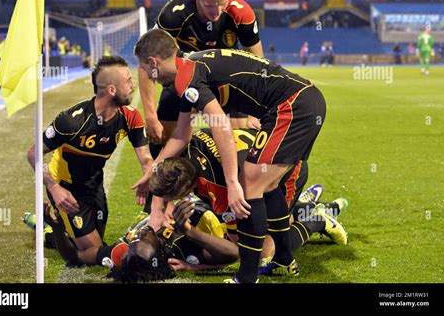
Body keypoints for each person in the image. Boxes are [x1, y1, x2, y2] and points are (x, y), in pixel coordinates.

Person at [134, 28, 327, 283]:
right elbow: (182, 135)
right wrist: (154, 168)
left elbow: (221, 125)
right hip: (296, 104)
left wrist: (233, 183)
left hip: (292, 106)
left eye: (145, 69)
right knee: (267, 186)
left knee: (250, 183)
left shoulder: (187, 76)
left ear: (153, 63)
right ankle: (284, 262)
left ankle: (246, 278)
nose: (147, 76)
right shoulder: (189, 69)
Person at [148, 130, 348, 277]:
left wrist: (194, 266)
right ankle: (301, 205)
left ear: (184, 190)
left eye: (169, 198)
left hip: (285, 172)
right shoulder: (188, 148)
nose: (168, 203)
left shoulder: (221, 188)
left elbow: (240, 252)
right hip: (266, 160)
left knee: (262, 254)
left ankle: (314, 219)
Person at [26, 56, 153, 251]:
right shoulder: (72, 122)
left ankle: (53, 227)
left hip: (94, 182)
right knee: (92, 250)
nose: (133, 85)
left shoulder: (130, 116)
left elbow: (145, 158)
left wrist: (148, 174)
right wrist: (53, 188)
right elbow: (33, 153)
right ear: (111, 90)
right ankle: (48, 228)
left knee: (94, 240)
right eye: (128, 81)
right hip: (66, 186)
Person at [139, 0, 263, 155]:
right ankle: (163, 180)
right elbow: (147, 63)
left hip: (224, 78)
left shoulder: (242, 14)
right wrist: (150, 116)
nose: (218, 11)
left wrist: (254, 112)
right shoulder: (173, 14)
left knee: (240, 135)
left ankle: (219, 180)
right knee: (161, 136)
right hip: (183, 76)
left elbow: (258, 64)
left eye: (223, 3)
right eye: (211, 5)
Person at [43, 197, 239, 282]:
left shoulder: (123, 253)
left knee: (58, 237)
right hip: (209, 207)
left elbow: (74, 257)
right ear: (160, 254)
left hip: (164, 204)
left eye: (134, 241)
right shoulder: (182, 250)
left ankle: (46, 231)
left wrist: (58, 229)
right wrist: (189, 232)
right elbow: (234, 253)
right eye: (145, 239)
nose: (139, 234)